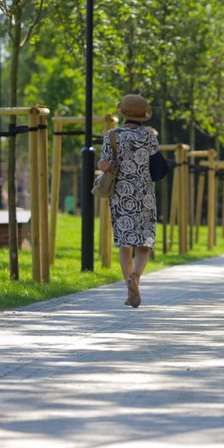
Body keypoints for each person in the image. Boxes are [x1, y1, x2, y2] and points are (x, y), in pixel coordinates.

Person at [97, 94, 160, 309]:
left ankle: (129, 285)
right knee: (144, 241)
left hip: (122, 193)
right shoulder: (150, 136)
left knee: (125, 243)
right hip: (145, 192)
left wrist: (103, 163)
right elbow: (156, 164)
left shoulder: (112, 135)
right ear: (144, 115)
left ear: (122, 113)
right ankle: (136, 276)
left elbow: (105, 164)